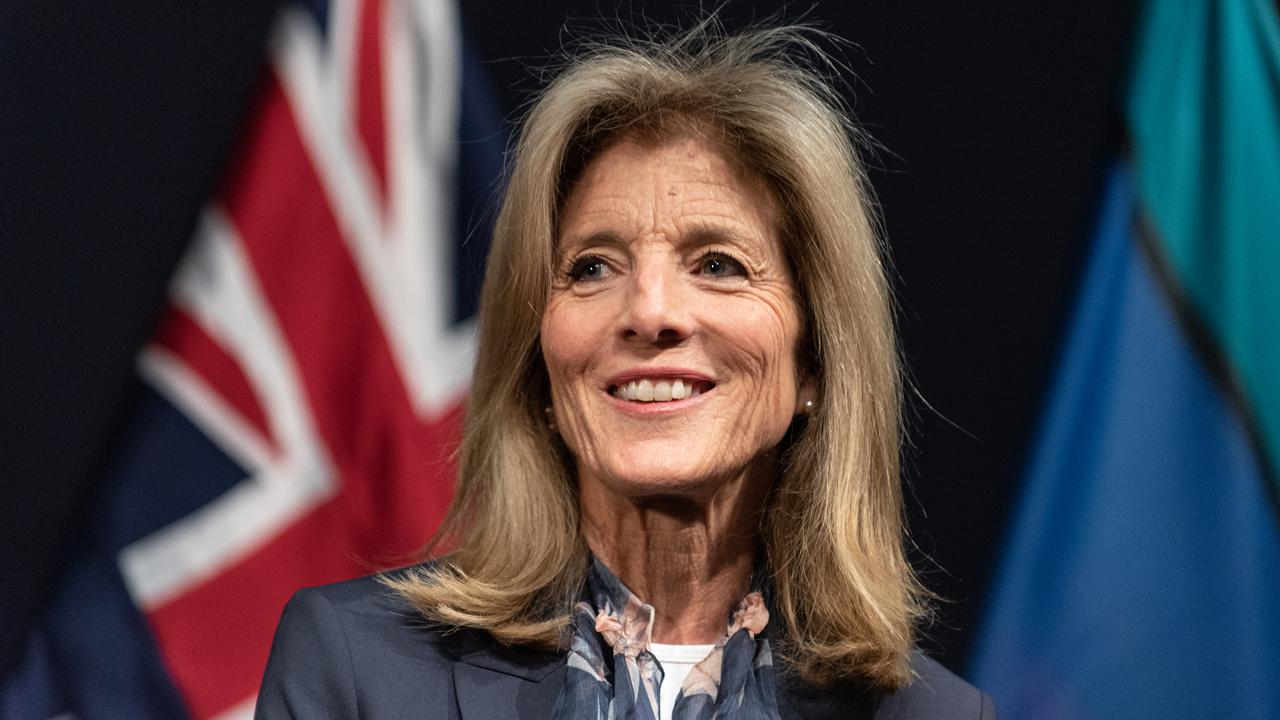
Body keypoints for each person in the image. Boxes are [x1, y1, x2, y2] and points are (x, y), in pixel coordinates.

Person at [257, 20, 995, 720]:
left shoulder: (935, 714)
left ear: (813, 365)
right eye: (593, 267)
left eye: (718, 264)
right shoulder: (355, 666)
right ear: (539, 367)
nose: (650, 311)